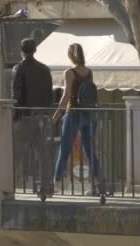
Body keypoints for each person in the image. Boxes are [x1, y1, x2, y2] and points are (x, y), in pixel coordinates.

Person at [52, 43, 100, 195]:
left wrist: (56, 115)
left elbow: (66, 96)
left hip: (73, 113)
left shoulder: (69, 72)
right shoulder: (88, 72)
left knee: (65, 149)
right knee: (90, 150)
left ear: (70, 55)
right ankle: (96, 184)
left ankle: (57, 184)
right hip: (88, 113)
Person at [11, 38, 53, 195]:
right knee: (43, 156)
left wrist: (15, 115)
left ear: (21, 51)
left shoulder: (19, 69)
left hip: (25, 117)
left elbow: (17, 94)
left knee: (16, 154)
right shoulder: (45, 69)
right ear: (35, 50)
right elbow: (50, 94)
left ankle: (9, 187)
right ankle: (46, 188)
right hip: (42, 117)